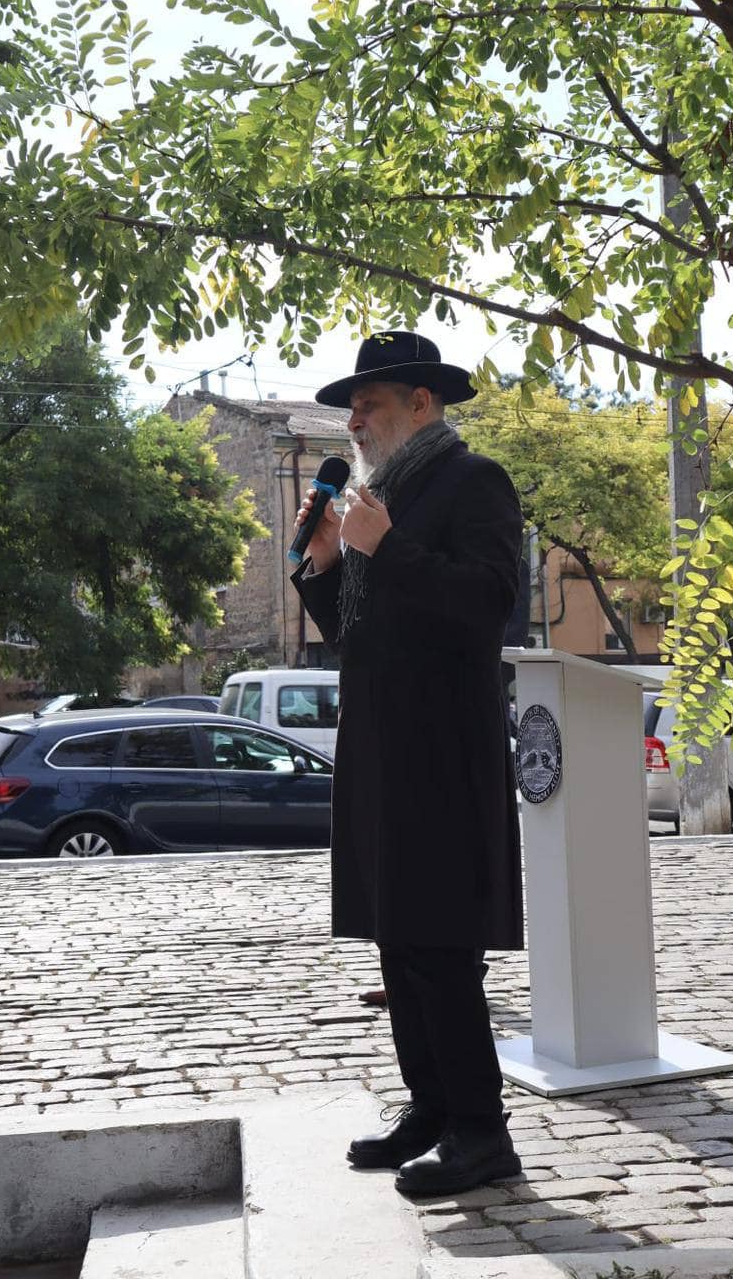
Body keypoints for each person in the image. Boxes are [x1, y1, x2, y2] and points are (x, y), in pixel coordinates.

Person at [291, 331, 524, 1198]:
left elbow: (489, 606)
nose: (352, 422)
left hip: (443, 753)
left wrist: (386, 547)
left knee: (440, 946)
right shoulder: (376, 499)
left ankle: (482, 1134)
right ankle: (431, 1111)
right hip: (381, 748)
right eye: (352, 409)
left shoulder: (473, 481)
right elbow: (360, 637)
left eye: (368, 405)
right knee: (398, 944)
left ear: (421, 403)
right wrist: (325, 567)